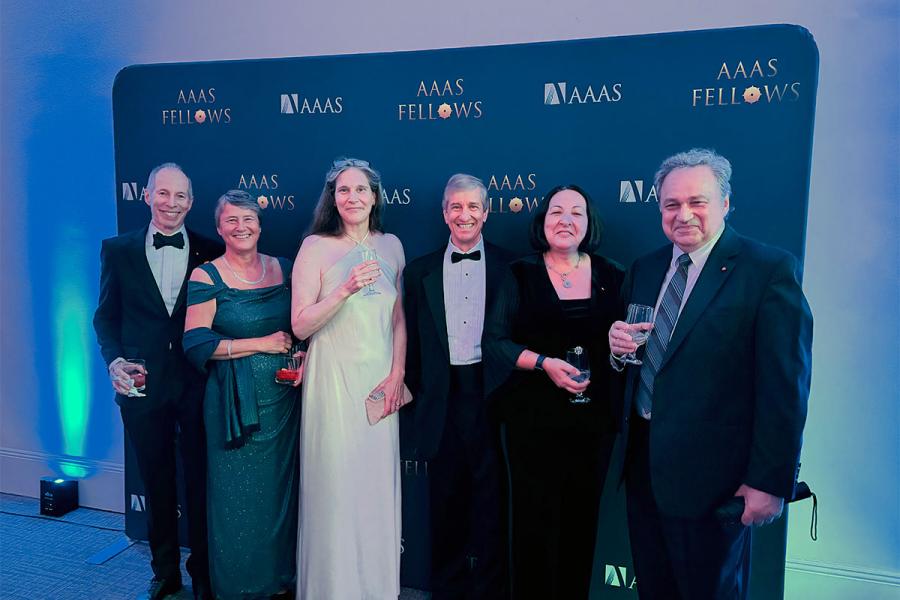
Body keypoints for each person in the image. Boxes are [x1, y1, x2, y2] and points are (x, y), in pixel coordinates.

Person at [607, 148, 812, 599]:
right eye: (671, 205)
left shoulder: (767, 271)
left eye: (697, 202)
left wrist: (769, 481)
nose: (684, 215)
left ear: (725, 203)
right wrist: (617, 349)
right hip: (644, 470)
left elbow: (786, 388)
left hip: (717, 482)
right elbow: (649, 357)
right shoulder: (645, 268)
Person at [484, 185, 623, 599]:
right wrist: (544, 364)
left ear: (589, 224)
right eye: (556, 212)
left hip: (593, 424)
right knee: (533, 524)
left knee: (582, 523)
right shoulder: (520, 272)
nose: (565, 220)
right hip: (533, 423)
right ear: (542, 222)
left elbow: (626, 346)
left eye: (576, 213)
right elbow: (495, 341)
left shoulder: (613, 275)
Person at [93, 163, 221, 600]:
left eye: (180, 196)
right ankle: (165, 571)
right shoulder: (117, 250)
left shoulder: (211, 249)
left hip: (197, 383)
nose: (171, 204)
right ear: (146, 196)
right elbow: (105, 318)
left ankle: (203, 572)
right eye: (162, 194)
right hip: (141, 386)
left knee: (202, 482)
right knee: (156, 480)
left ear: (191, 202)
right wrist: (112, 362)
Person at [291, 158, 406, 600]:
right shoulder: (315, 248)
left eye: (361, 190)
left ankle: (377, 589)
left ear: (375, 196)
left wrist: (397, 373)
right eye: (343, 190)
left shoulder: (393, 245)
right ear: (332, 198)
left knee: (375, 487)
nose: (352, 198)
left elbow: (399, 319)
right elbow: (300, 325)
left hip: (379, 383)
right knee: (335, 486)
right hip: (332, 383)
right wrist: (344, 289)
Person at [182, 190, 301, 599]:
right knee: (235, 503)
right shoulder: (206, 276)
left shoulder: (284, 268)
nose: (240, 227)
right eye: (231, 220)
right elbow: (196, 343)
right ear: (219, 229)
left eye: (247, 219)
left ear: (260, 225)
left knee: (278, 497)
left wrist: (297, 359)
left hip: (284, 401)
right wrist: (260, 343)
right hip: (232, 404)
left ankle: (277, 583)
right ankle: (237, 589)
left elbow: (301, 326)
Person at [403, 174, 515, 599]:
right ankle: (446, 590)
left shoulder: (512, 266)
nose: (464, 215)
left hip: (492, 397)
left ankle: (490, 591)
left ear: (486, 212)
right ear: (444, 213)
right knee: (444, 504)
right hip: (440, 398)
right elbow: (408, 340)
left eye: (473, 207)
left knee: (492, 504)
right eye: (455, 207)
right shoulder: (419, 272)